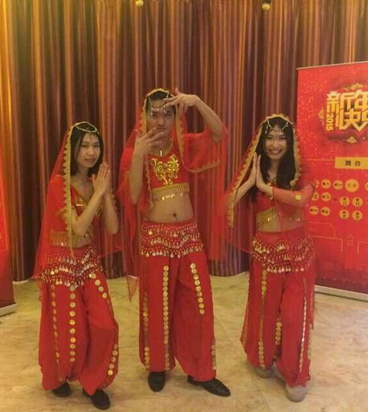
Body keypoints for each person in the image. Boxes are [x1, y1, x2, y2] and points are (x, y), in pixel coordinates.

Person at [117, 88, 230, 397]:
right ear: (143, 116)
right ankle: (158, 366)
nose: (160, 120)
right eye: (153, 113)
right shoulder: (133, 153)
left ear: (176, 117)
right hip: (155, 239)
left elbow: (219, 133)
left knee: (200, 304)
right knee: (157, 305)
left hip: (189, 237)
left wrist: (198, 102)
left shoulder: (185, 145)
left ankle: (201, 371)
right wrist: (138, 155)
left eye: (167, 113)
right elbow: (133, 196)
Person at [224, 114, 316, 402]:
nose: (275, 144)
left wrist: (266, 189)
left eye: (281, 138)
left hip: (298, 257)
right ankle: (264, 356)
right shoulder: (256, 172)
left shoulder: (300, 172)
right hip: (266, 256)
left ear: (290, 142)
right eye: (270, 138)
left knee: (293, 315)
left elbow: (302, 199)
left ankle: (294, 373)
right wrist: (251, 182)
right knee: (266, 311)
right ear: (261, 142)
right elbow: (227, 203)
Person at [33, 122, 120, 410]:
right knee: (73, 334)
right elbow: (79, 227)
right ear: (73, 149)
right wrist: (98, 193)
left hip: (88, 262)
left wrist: (104, 193)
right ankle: (58, 376)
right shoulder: (59, 185)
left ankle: (93, 382)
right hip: (62, 264)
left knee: (105, 325)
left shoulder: (97, 182)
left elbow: (113, 227)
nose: (91, 152)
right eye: (85, 146)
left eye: (96, 146)